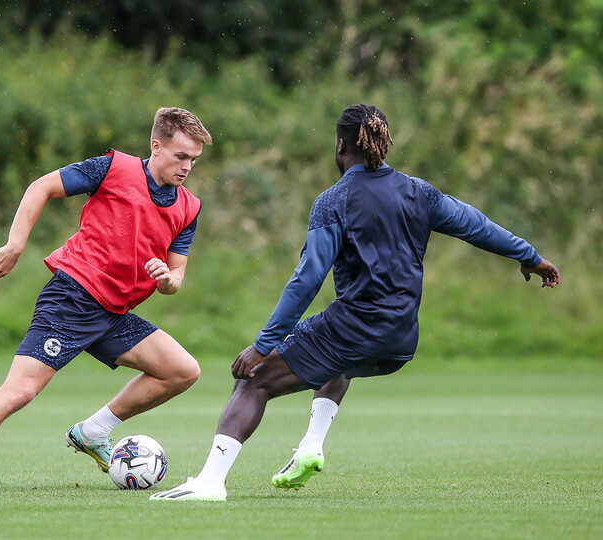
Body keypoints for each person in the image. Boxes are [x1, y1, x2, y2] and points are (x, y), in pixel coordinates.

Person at [150, 103, 561, 502]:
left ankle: (210, 482)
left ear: (340, 146)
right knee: (335, 357)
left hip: (355, 325)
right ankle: (311, 444)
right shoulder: (419, 193)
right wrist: (531, 257)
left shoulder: (335, 200)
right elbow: (477, 225)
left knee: (253, 380)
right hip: (401, 337)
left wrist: (263, 344)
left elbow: (306, 280)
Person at [0, 107, 212, 491]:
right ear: (156, 146)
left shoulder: (189, 207)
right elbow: (42, 186)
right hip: (72, 299)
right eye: (181, 156)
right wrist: (15, 244)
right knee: (19, 392)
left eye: (194, 159)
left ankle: (93, 431)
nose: (187, 166)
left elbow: (176, 279)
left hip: (114, 313)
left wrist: (164, 280)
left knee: (182, 370)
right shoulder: (113, 168)